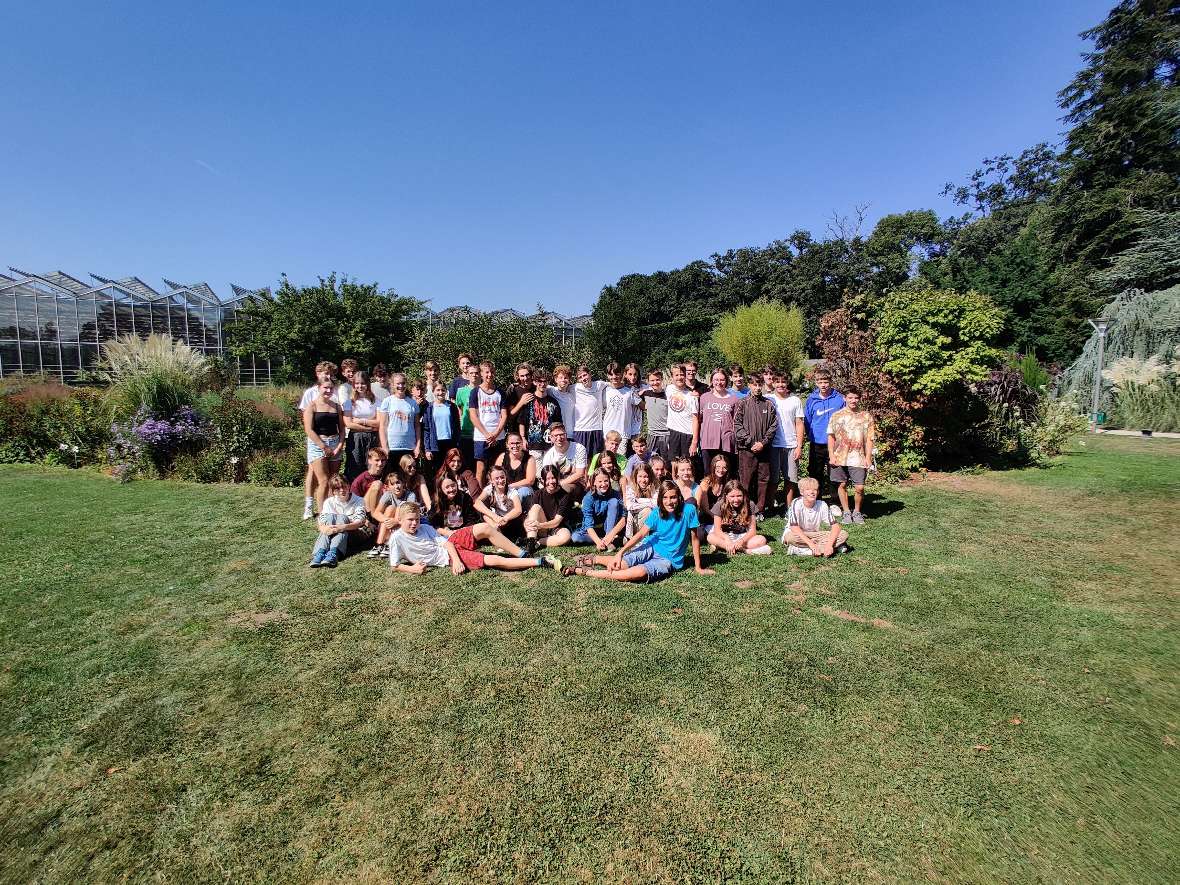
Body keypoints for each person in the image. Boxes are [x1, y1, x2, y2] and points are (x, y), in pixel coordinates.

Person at [562, 480, 713, 581]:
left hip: (669, 560)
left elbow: (694, 539)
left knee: (639, 573)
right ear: (660, 499)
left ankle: (585, 571)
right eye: (665, 498)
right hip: (651, 546)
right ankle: (593, 559)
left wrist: (698, 567)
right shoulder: (656, 513)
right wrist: (620, 553)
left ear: (679, 498)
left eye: (673, 497)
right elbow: (641, 534)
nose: (669, 502)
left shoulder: (689, 510)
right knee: (621, 564)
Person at [390, 502, 562, 576]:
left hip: (451, 546)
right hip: (447, 557)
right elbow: (395, 565)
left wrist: (457, 561)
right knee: (492, 559)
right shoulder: (396, 539)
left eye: (417, 519)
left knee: (485, 528)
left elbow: (448, 542)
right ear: (400, 521)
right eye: (410, 520)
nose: (414, 523)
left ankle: (523, 554)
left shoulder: (425, 528)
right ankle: (540, 562)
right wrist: (413, 569)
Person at [299, 361, 351, 518]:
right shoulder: (312, 406)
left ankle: (331, 508)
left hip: (335, 443)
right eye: (325, 388)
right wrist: (323, 446)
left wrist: (340, 445)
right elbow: (308, 429)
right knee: (323, 480)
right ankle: (322, 513)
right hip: (318, 445)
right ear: (319, 388)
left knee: (333, 479)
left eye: (330, 388)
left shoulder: (336, 406)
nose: (328, 391)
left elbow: (342, 428)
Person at [826, 385, 875, 525]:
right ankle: (847, 512)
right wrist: (831, 455)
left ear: (860, 399)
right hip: (840, 456)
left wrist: (868, 457)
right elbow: (831, 437)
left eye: (856, 398)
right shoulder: (837, 416)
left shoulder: (866, 416)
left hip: (858, 457)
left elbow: (869, 439)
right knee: (841, 484)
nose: (853, 400)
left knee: (859, 487)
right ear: (845, 398)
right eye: (850, 397)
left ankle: (857, 512)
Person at [733, 372, 779, 519]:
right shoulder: (742, 403)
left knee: (763, 480)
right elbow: (737, 425)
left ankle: (759, 509)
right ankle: (744, 509)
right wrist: (750, 442)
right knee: (746, 481)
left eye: (760, 385)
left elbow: (773, 426)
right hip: (747, 450)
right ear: (749, 385)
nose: (758, 388)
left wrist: (763, 443)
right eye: (754, 384)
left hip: (764, 450)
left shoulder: (768, 404)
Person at [308, 475, 368, 568]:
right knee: (329, 518)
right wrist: (324, 529)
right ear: (333, 491)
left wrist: (341, 527)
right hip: (336, 532)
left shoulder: (359, 500)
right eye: (337, 489)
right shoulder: (329, 502)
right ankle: (320, 553)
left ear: (349, 486)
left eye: (344, 486)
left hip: (355, 533)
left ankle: (332, 552)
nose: (342, 490)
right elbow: (322, 521)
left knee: (342, 518)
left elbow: (359, 523)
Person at [804, 369, 846, 501]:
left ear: (830, 382)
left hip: (835, 444)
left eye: (826, 382)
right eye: (820, 382)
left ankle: (834, 501)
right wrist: (811, 435)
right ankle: (817, 500)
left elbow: (845, 419)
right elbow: (807, 420)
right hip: (817, 443)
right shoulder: (811, 400)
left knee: (835, 474)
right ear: (816, 383)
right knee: (815, 473)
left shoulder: (839, 399)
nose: (823, 385)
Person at [783, 477, 849, 557]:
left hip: (814, 534)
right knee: (790, 537)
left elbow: (836, 527)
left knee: (843, 534)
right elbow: (794, 528)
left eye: (815, 489)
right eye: (808, 489)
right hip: (798, 534)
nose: (812, 492)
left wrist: (829, 545)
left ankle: (803, 550)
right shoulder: (796, 503)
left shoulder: (822, 504)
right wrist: (811, 544)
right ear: (801, 492)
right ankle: (830, 548)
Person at [769, 371, 805, 514]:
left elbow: (799, 423)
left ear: (787, 383)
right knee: (773, 479)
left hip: (791, 445)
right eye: (777, 382)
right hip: (773, 445)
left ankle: (788, 507)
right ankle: (771, 506)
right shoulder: (768, 399)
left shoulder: (795, 400)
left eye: (783, 382)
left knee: (791, 478)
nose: (780, 384)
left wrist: (799, 446)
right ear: (773, 383)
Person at [707, 480, 772, 555]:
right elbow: (717, 530)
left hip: (743, 535)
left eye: (739, 496)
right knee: (710, 537)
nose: (736, 499)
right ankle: (744, 550)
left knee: (761, 540)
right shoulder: (719, 505)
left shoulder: (750, 505)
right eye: (732, 496)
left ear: (743, 494)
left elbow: (752, 530)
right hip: (725, 535)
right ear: (726, 496)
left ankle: (724, 547)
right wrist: (727, 539)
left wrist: (741, 541)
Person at [469, 360, 507, 485]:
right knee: (481, 469)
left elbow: (504, 415)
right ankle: (479, 498)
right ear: (481, 374)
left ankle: (497, 496)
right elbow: (473, 416)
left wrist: (495, 434)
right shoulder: (475, 392)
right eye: (486, 372)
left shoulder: (500, 392)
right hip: (481, 437)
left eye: (492, 372)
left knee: (498, 468)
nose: (489, 375)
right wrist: (486, 434)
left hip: (498, 436)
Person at [522, 465, 574, 553]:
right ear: (542, 480)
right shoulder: (538, 494)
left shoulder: (564, 496)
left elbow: (557, 521)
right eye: (548, 478)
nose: (551, 482)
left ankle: (538, 542)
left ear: (558, 478)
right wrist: (526, 523)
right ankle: (530, 543)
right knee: (535, 507)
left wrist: (539, 525)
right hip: (541, 527)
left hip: (556, 527)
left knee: (566, 537)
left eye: (553, 478)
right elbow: (530, 515)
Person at [571, 469, 625, 551]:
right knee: (575, 537)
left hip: (610, 528)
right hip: (594, 529)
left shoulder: (615, 494)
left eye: (606, 481)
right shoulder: (588, 498)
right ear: (594, 483)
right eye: (600, 481)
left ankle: (608, 538)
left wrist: (610, 536)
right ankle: (604, 540)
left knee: (613, 502)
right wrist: (598, 541)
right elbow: (588, 524)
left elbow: (624, 517)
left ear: (609, 481)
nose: (603, 484)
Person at [369, 471, 418, 558]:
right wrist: (388, 520)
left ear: (403, 483)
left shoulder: (410, 495)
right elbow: (376, 513)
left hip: (404, 525)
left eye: (398, 482)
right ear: (388, 487)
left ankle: (388, 544)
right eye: (392, 484)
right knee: (390, 508)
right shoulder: (388, 495)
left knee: (401, 506)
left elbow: (410, 514)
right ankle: (379, 544)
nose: (397, 486)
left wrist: (396, 521)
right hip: (388, 527)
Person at [699, 368, 738, 476]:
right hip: (708, 442)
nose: (719, 383)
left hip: (726, 443)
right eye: (716, 379)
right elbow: (700, 419)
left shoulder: (734, 399)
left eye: (722, 380)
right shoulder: (704, 397)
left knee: (725, 473)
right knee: (708, 473)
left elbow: (736, 422)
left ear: (726, 381)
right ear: (711, 380)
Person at [343, 370, 382, 481]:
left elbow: (379, 422)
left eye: (363, 383)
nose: (360, 386)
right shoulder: (349, 402)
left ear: (368, 384)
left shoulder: (376, 401)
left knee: (372, 466)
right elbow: (349, 423)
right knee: (355, 465)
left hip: (373, 438)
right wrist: (370, 427)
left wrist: (360, 421)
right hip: (355, 438)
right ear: (353, 384)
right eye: (357, 383)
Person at [378, 373, 422, 468]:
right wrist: (385, 447)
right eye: (398, 383)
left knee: (409, 477)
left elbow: (417, 426)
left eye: (403, 383)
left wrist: (417, 446)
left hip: (409, 446)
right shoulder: (387, 401)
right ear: (393, 384)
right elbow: (382, 426)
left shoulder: (413, 403)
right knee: (393, 478)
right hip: (392, 447)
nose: (400, 386)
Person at [520, 368, 561, 463]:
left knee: (550, 472)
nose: (542, 384)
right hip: (534, 445)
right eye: (539, 381)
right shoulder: (528, 400)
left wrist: (557, 437)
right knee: (536, 474)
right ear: (534, 382)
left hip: (550, 444)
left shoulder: (553, 402)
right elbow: (521, 421)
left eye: (545, 381)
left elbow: (558, 423)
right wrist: (523, 438)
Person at [474, 463, 525, 540]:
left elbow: (518, 510)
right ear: (491, 480)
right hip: (497, 521)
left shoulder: (511, 491)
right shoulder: (489, 489)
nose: (500, 481)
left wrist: (504, 519)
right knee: (485, 515)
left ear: (506, 477)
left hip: (511, 521)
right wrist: (494, 516)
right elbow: (477, 503)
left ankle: (500, 538)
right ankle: (499, 537)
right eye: (497, 478)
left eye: (502, 477)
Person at [602, 362, 641, 455]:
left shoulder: (629, 391)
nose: (614, 377)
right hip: (607, 432)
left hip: (623, 433)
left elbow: (643, 406)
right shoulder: (604, 391)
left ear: (622, 374)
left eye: (617, 373)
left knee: (620, 462)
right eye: (611, 374)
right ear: (607, 376)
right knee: (607, 460)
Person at [539, 422, 589, 494]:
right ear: (551, 438)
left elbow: (580, 474)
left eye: (561, 434)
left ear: (566, 435)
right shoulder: (549, 455)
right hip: (556, 484)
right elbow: (547, 476)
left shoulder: (579, 448)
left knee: (565, 489)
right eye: (556, 435)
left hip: (577, 484)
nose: (559, 438)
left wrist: (559, 484)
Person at [665, 364, 700, 464]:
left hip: (687, 434)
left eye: (682, 374)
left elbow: (695, 419)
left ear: (685, 376)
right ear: (672, 377)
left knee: (687, 465)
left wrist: (694, 441)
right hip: (673, 432)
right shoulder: (669, 389)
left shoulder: (692, 395)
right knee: (673, 464)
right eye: (676, 375)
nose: (679, 377)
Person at [423, 381, 461, 469]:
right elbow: (426, 430)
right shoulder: (429, 408)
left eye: (443, 390)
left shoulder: (451, 406)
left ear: (446, 391)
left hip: (450, 443)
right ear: (433, 391)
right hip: (435, 444)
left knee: (450, 468)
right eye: (438, 390)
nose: (440, 393)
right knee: (437, 470)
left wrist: (457, 444)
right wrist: (427, 449)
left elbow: (457, 427)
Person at [572, 364, 607, 459]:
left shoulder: (600, 385)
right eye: (580, 377)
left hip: (597, 429)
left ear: (590, 374)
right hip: (580, 430)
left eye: (584, 375)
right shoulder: (574, 388)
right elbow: (559, 389)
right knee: (581, 460)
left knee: (596, 460)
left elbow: (615, 383)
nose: (583, 378)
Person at [431, 473, 478, 537]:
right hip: (446, 533)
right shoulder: (437, 502)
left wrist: (462, 531)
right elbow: (434, 524)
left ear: (456, 484)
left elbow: (472, 518)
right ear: (441, 489)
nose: (451, 489)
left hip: (465, 530)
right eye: (447, 487)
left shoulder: (465, 497)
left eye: (453, 485)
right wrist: (446, 532)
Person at [494, 432, 537, 503]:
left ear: (522, 443)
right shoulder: (502, 457)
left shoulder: (530, 458)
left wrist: (510, 487)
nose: (515, 446)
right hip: (504, 489)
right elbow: (494, 475)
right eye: (512, 443)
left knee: (524, 492)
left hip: (522, 488)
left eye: (518, 443)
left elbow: (530, 481)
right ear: (507, 445)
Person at [453, 362, 479, 469]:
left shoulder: (483, 390)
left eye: (476, 373)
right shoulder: (461, 391)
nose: (474, 375)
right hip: (466, 431)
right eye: (471, 373)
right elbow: (460, 410)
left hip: (480, 432)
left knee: (479, 462)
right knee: (465, 462)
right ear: (467, 375)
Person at [639, 369, 670, 460]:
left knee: (666, 460)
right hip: (652, 433)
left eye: (657, 380)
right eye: (652, 380)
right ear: (648, 382)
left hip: (666, 433)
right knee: (649, 459)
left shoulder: (668, 395)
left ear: (662, 380)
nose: (655, 382)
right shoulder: (646, 394)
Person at [622, 462, 658, 539]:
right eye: (640, 476)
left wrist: (638, 501)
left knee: (648, 511)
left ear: (650, 477)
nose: (643, 480)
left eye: (645, 476)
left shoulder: (655, 486)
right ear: (635, 477)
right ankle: (639, 538)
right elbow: (629, 506)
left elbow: (656, 504)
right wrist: (649, 502)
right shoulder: (631, 486)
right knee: (647, 510)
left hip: (651, 520)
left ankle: (645, 538)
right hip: (634, 521)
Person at [547, 363, 576, 432]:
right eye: (560, 378)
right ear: (555, 379)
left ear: (569, 380)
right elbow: (537, 385)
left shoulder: (572, 395)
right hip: (556, 434)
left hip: (571, 433)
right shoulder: (551, 390)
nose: (563, 380)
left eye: (565, 378)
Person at [623, 362, 646, 441]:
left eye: (635, 374)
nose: (633, 377)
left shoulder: (643, 386)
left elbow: (645, 407)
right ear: (625, 374)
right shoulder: (621, 388)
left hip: (636, 427)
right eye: (630, 374)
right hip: (623, 427)